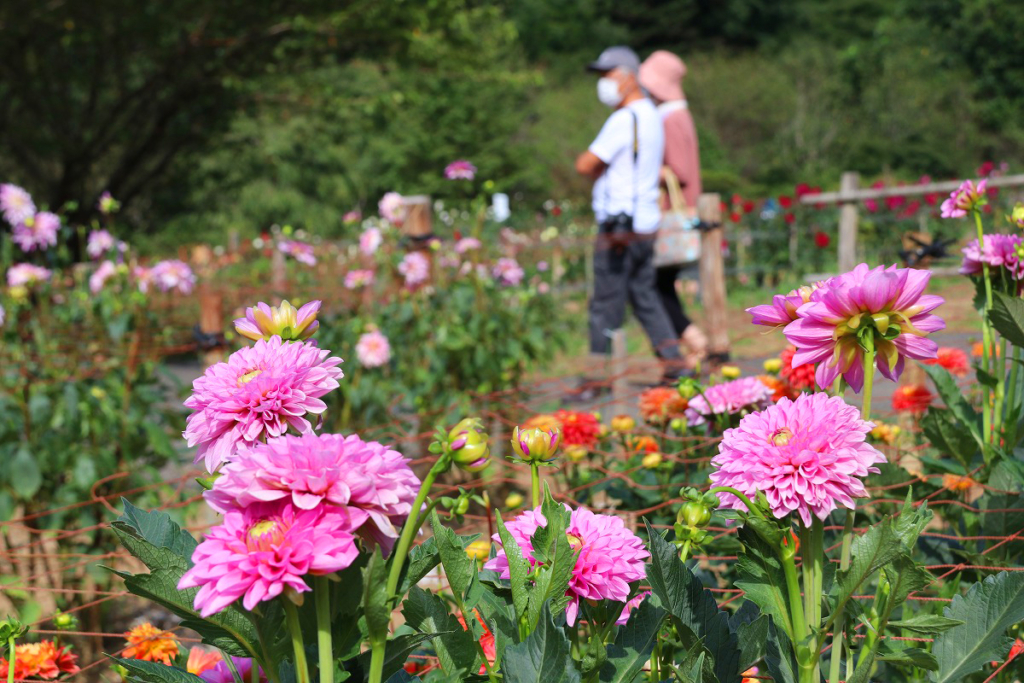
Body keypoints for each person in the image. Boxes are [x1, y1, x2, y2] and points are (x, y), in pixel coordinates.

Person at [573, 46, 685, 395]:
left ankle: (596, 379)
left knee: (605, 302)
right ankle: (675, 364)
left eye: (607, 75)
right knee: (644, 295)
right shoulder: (651, 115)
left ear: (627, 76)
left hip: (619, 227)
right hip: (645, 224)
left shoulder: (624, 119)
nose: (604, 83)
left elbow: (586, 164)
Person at [639, 50, 708, 369]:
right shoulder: (681, 115)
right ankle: (688, 344)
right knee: (660, 285)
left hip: (672, 218)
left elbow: (677, 170)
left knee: (651, 285)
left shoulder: (669, 119)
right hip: (686, 214)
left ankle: (693, 340)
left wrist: (642, 171)